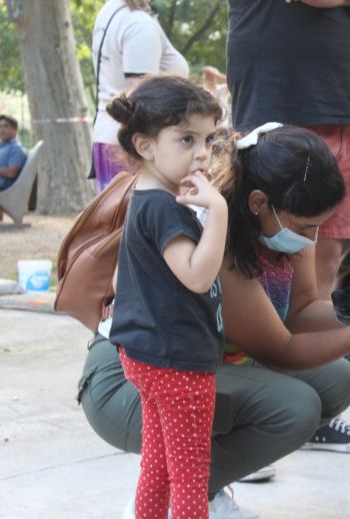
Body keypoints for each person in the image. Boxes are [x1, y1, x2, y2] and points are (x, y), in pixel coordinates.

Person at [78, 122, 350, 519]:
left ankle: (199, 488)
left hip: (196, 363)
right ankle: (164, 498)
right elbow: (285, 350)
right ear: (258, 202)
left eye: (318, 226)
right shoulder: (214, 237)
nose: (312, 238)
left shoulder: (285, 221)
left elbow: (304, 311)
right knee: (292, 407)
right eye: (305, 227)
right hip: (131, 383)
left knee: (338, 379)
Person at [226, 0, 350, 446]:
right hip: (273, 102)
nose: (307, 238)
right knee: (251, 265)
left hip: (341, 106)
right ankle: (243, 413)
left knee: (322, 268)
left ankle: (308, 418)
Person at [106, 76, 226, 518]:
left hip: (144, 354)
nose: (201, 152)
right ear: (145, 145)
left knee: (158, 468)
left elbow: (123, 280)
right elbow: (197, 276)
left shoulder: (143, 197)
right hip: (177, 360)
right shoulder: (163, 208)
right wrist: (220, 211)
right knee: (191, 478)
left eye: (209, 140)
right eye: (187, 139)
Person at [91, 0, 188, 193]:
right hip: (132, 147)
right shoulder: (139, 24)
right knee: (132, 219)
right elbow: (142, 96)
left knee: (116, 220)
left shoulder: (111, 10)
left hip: (110, 137)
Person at [0, 115, 27, 191]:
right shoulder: (2, 147)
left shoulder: (16, 148)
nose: (1, 130)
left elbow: (11, 173)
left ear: (15, 129)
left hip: (2, 189)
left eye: (5, 126)